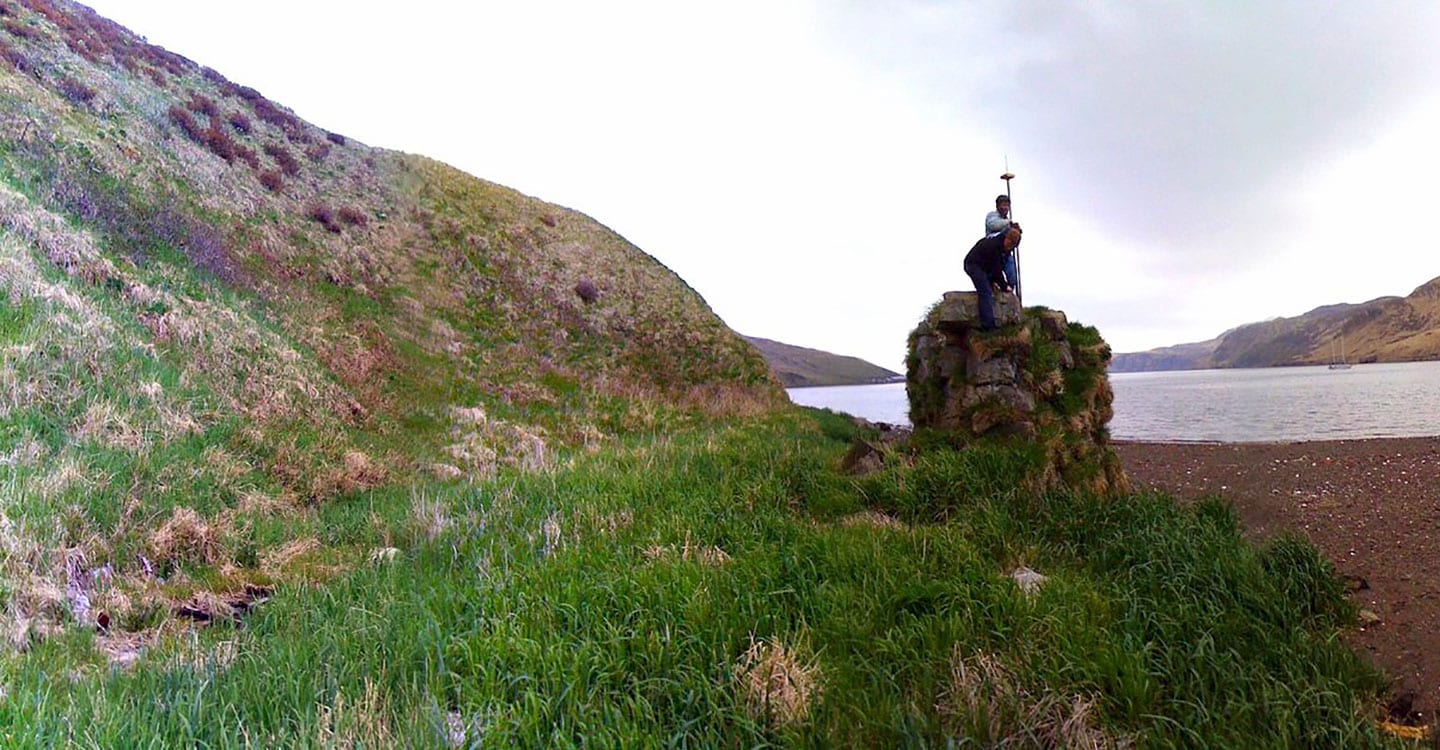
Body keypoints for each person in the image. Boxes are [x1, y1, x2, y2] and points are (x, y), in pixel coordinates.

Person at [963, 226, 1021, 331]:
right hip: (973, 264)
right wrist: (1004, 286)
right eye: (1010, 244)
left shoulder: (1003, 248)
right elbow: (996, 270)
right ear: (1006, 238)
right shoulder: (994, 246)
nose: (1010, 247)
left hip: (984, 266)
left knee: (990, 289)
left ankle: (992, 318)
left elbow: (994, 268)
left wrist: (996, 282)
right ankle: (988, 326)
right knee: (985, 292)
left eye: (1013, 246)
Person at [984, 194, 1020, 292]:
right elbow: (993, 225)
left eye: (1007, 205)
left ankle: (1009, 292)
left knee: (1012, 275)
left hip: (1005, 252)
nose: (1005, 208)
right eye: (1002, 205)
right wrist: (1008, 222)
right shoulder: (992, 216)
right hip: (993, 251)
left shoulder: (1007, 222)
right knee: (994, 272)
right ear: (997, 206)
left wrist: (1016, 232)